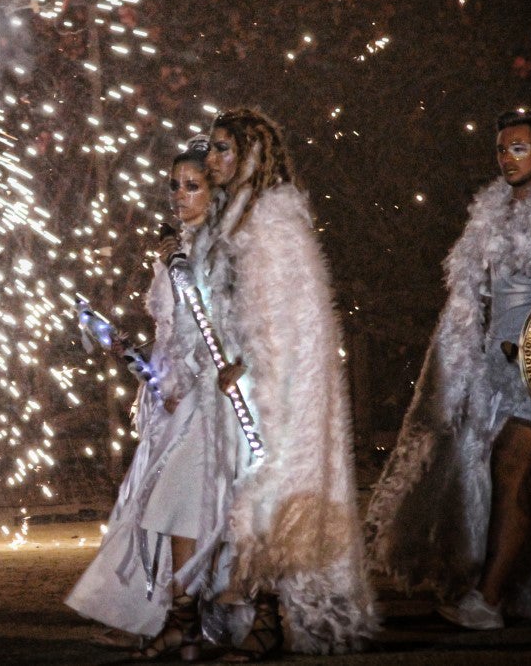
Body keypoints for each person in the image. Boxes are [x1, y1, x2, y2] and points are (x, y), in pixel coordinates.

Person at [365, 110, 531, 630]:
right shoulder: (492, 213)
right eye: (502, 149)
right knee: (500, 479)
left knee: (510, 470)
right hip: (494, 371)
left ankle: (487, 600)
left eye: (519, 148)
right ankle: (520, 584)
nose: (507, 158)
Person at [201, 109, 376, 660]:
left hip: (283, 390)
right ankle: (251, 614)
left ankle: (272, 618)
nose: (212, 159)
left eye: (224, 148)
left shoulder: (274, 220)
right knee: (250, 492)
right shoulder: (237, 217)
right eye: (211, 148)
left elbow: (288, 322)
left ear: (252, 155)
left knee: (273, 491)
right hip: (252, 385)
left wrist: (252, 367)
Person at [66, 138, 240, 661]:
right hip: (168, 398)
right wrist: (140, 362)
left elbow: (223, 329)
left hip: (208, 400)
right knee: (147, 507)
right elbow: (171, 329)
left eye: (192, 186)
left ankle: (186, 620)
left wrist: (189, 380)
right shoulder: (169, 252)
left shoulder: (223, 250)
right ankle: (149, 617)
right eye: (174, 186)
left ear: (216, 191)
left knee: (181, 503)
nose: (179, 196)